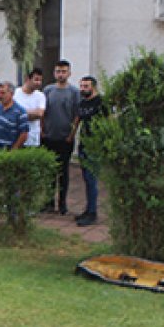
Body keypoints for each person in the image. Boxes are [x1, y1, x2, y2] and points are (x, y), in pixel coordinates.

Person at [42, 60, 80, 215]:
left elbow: (77, 115)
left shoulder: (74, 92)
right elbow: (42, 112)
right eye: (58, 71)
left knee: (63, 172)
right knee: (49, 172)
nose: (61, 74)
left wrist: (72, 134)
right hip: (49, 137)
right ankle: (49, 202)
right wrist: (42, 131)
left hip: (65, 139)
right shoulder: (48, 90)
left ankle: (62, 204)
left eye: (64, 71)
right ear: (54, 73)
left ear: (69, 73)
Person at [71, 75, 103, 226]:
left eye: (86, 86)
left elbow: (110, 122)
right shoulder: (83, 103)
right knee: (86, 179)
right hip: (84, 145)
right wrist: (71, 136)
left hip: (95, 146)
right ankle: (88, 210)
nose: (83, 89)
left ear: (94, 87)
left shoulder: (101, 103)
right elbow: (77, 120)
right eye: (81, 86)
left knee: (91, 180)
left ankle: (92, 213)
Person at [0, 81, 29, 150]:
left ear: (12, 94)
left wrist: (14, 150)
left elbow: (24, 134)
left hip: (6, 153)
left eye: (3, 93)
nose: (0, 96)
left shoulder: (20, 112)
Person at [13, 68, 45, 150]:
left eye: (40, 80)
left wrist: (21, 114)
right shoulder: (15, 94)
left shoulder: (40, 96)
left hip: (33, 139)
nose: (39, 83)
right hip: (16, 138)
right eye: (36, 80)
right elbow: (12, 114)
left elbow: (40, 114)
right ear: (28, 79)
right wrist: (31, 113)